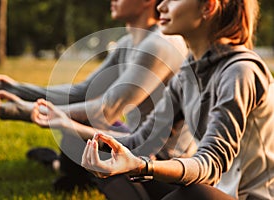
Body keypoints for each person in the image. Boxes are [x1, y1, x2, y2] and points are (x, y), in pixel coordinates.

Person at [35, 0, 274, 199]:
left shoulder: (241, 71)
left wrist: (143, 167)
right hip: (217, 188)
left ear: (208, 7)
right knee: (113, 160)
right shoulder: (189, 71)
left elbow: (211, 164)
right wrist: (68, 124)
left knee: (192, 195)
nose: (161, 6)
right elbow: (141, 140)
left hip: (243, 195)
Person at [0, 0, 195, 194]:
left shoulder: (160, 44)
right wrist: (15, 89)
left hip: (165, 162)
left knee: (85, 128)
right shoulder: (128, 43)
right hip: (136, 139)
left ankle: (70, 170)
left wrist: (18, 110)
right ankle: (67, 169)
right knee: (80, 121)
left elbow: (104, 110)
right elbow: (81, 91)